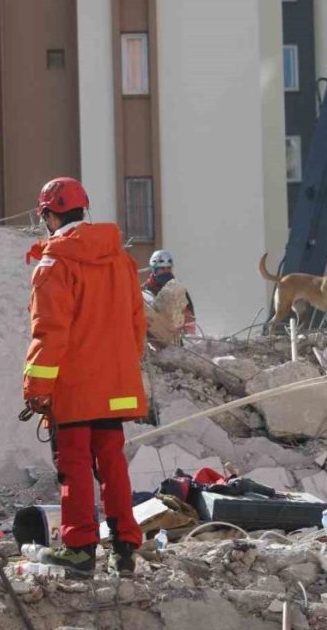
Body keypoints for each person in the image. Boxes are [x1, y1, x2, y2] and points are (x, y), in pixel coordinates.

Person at [21, 176, 147, 577]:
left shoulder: (54, 264)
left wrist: (37, 390)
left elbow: (49, 333)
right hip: (115, 383)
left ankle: (79, 548)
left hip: (74, 387)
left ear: (49, 215)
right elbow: (136, 325)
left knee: (73, 463)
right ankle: (125, 546)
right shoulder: (121, 260)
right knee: (112, 461)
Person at [143, 249, 197, 335]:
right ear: (154, 270)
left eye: (168, 268)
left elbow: (189, 318)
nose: (166, 271)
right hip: (153, 338)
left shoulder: (178, 290)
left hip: (176, 338)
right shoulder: (146, 290)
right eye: (162, 269)